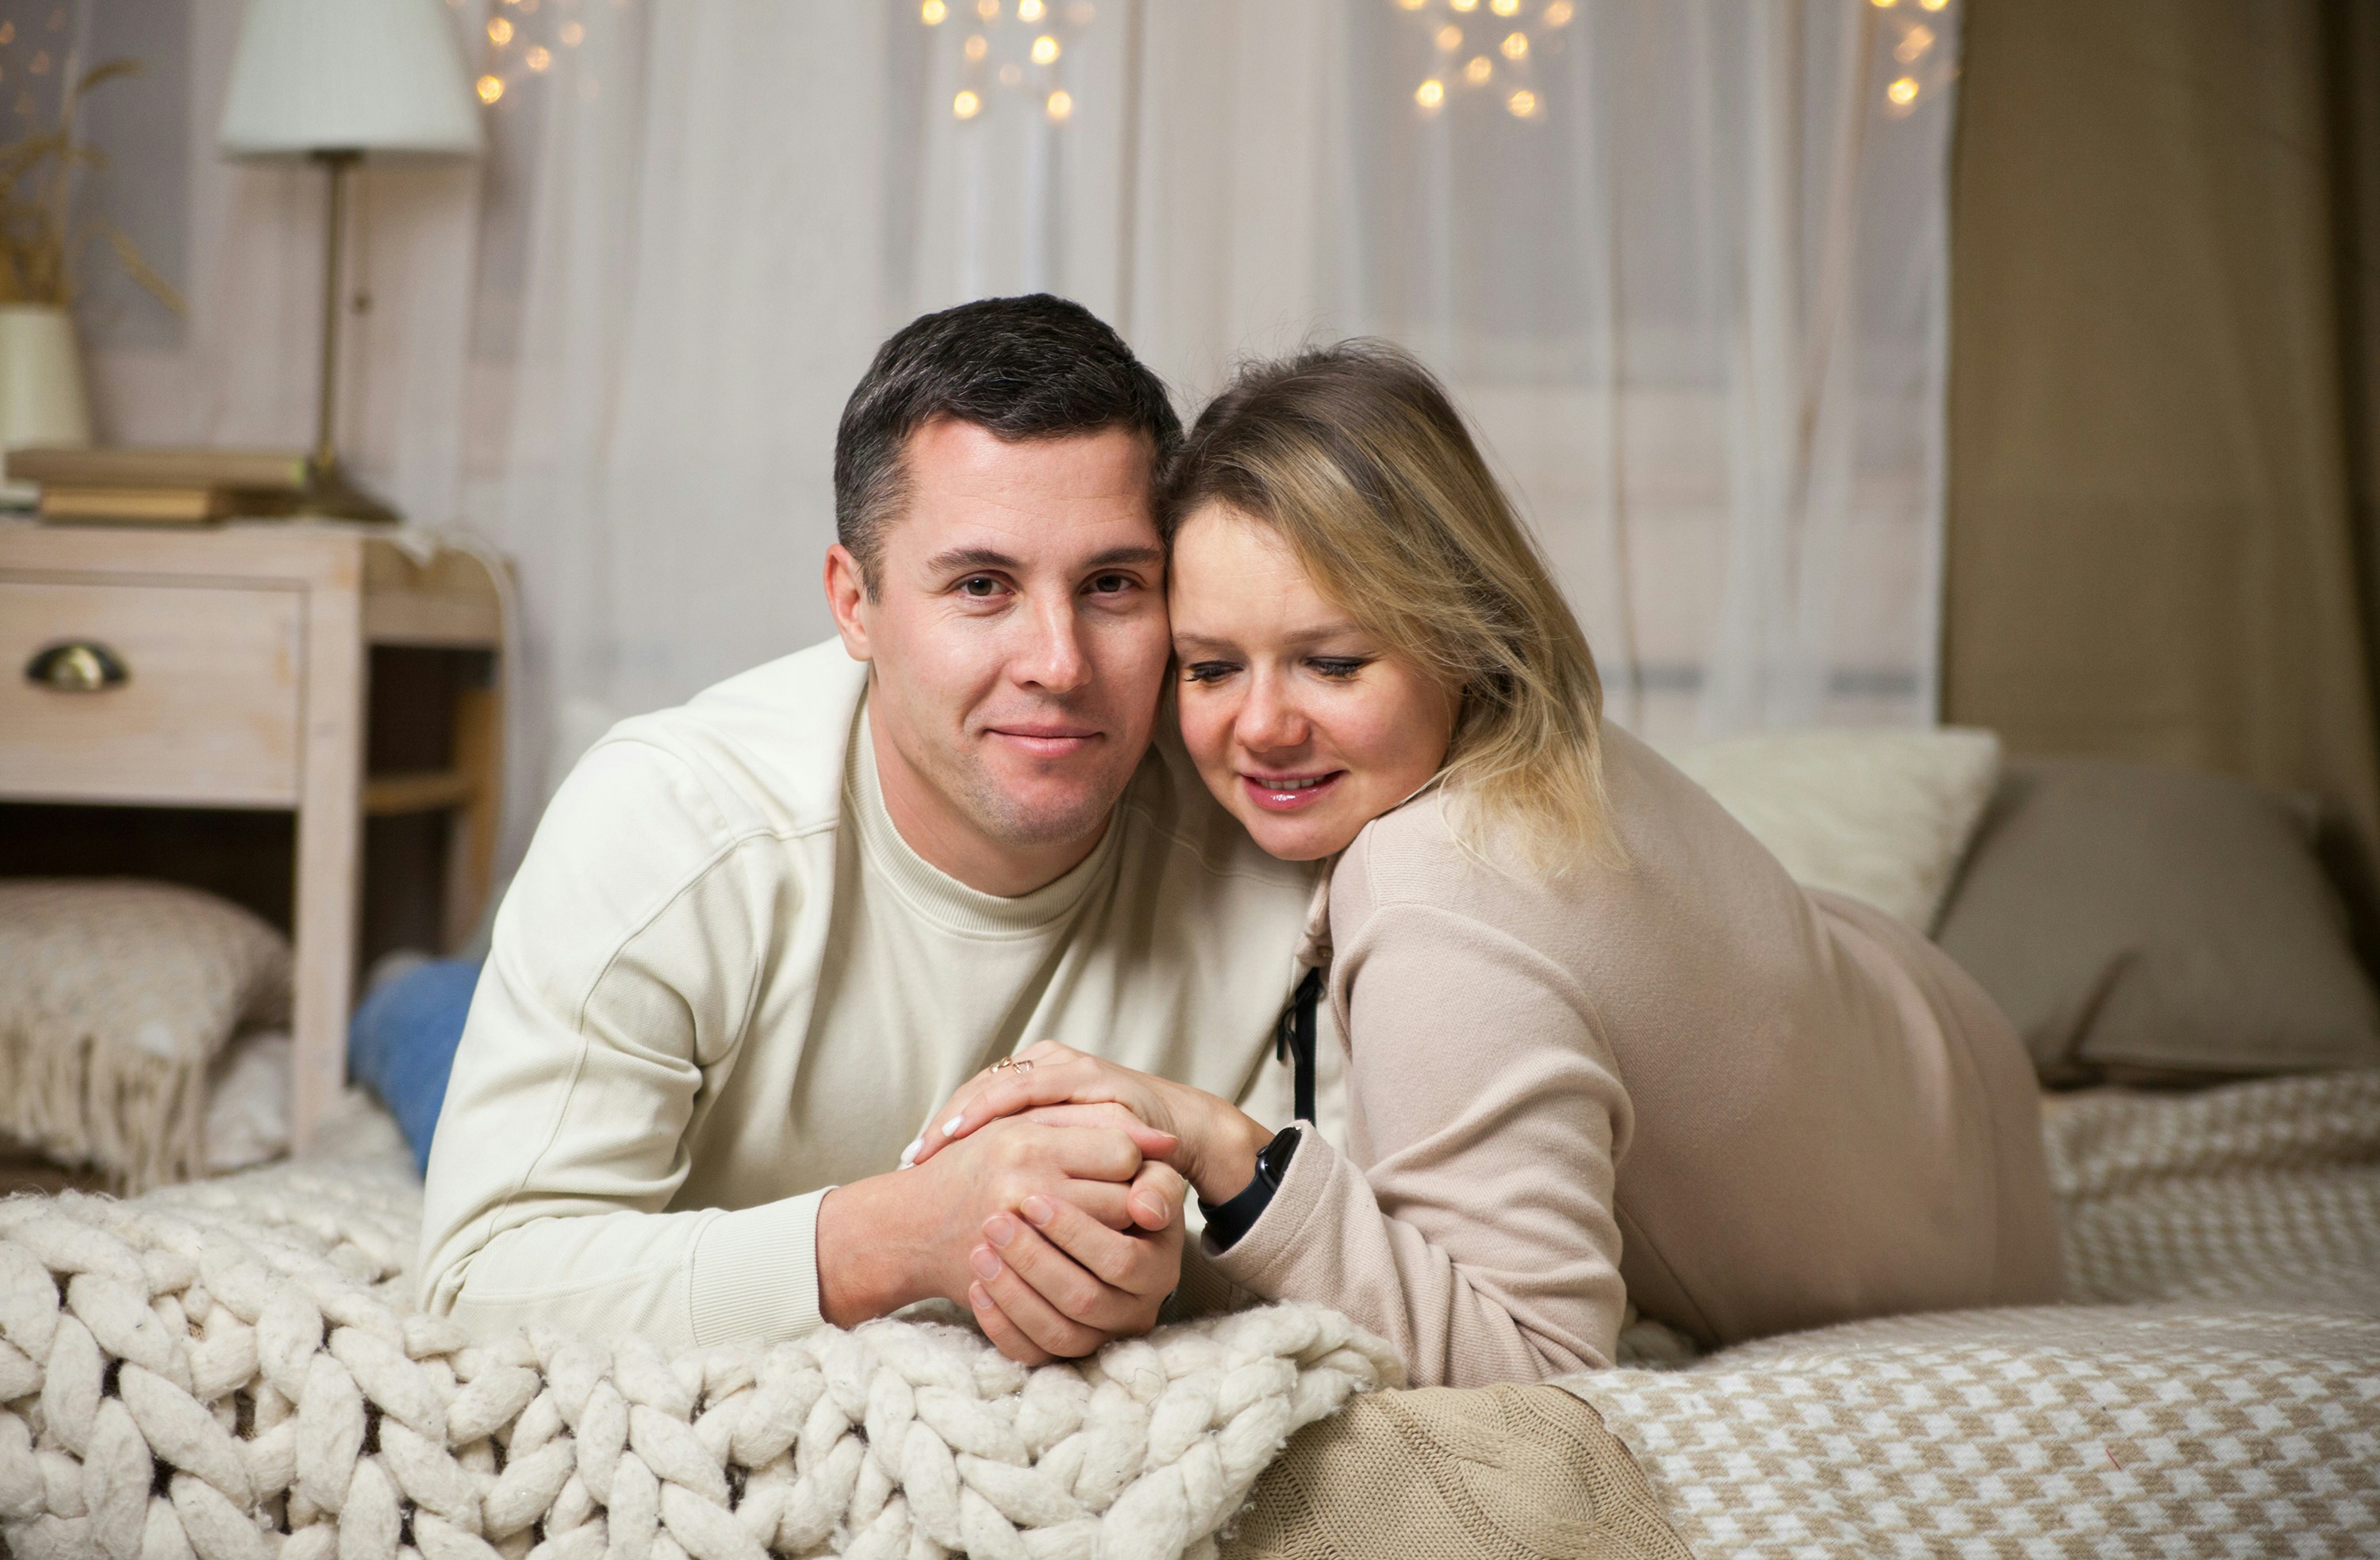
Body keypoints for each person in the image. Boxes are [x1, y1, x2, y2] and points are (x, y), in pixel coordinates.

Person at [912, 342, 2067, 1386]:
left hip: (1951, 1245)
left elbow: (1537, 1368)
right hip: (1940, 1059)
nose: (1260, 727)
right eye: (1211, 669)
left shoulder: (1434, 892)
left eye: (1333, 661)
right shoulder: (1544, 741)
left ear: (1462, 632)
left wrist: (1221, 1143)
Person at [416, 296, 1321, 1359]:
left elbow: (1386, 1255)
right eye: (981, 586)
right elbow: (478, 1285)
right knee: (419, 1042)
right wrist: (907, 1233)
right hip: (623, 983)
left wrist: (1158, 1269)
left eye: (1114, 585)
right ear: (855, 604)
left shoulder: (1279, 823)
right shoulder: (665, 822)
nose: (1060, 663)